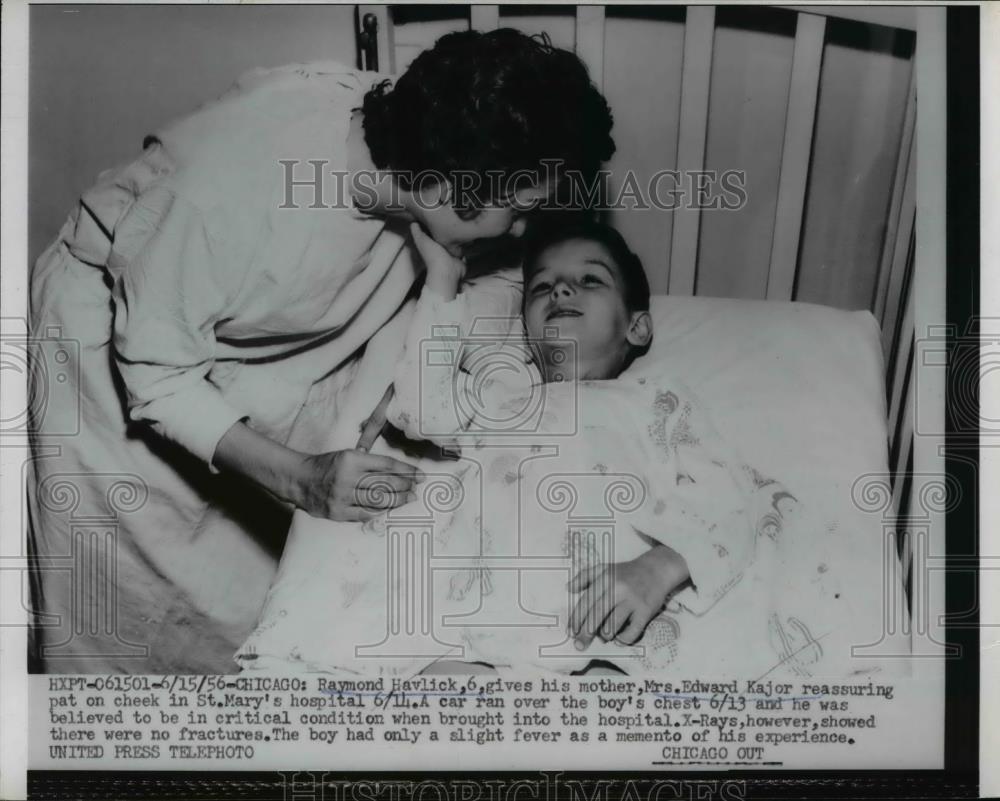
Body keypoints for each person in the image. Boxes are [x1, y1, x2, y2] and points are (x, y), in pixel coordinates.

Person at [27, 30, 615, 673]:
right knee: (132, 607)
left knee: (263, 598)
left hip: (256, 334)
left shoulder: (415, 130)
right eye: (520, 210)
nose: (526, 230)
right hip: (121, 354)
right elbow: (159, 377)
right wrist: (300, 476)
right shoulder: (223, 199)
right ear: (447, 190)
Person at [255, 220, 793, 677]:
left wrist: (659, 567)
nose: (560, 292)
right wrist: (442, 282)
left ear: (638, 327)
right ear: (527, 329)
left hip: (600, 627)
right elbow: (421, 406)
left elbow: (730, 496)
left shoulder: (657, 399)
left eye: (588, 280)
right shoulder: (498, 390)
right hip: (474, 636)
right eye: (541, 288)